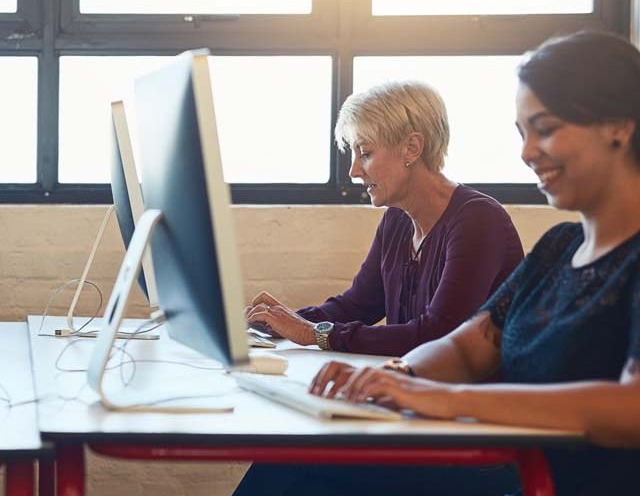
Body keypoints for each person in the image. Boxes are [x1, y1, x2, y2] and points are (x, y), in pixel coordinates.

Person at [238, 31, 640, 496]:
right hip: (520, 470)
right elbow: (467, 347)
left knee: (294, 472)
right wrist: (399, 376)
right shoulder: (559, 249)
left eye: (545, 129)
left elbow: (632, 408)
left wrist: (446, 398)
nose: (527, 153)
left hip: (528, 477)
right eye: (522, 134)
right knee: (286, 463)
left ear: (619, 126)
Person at [246, 80, 524, 357]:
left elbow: (437, 335)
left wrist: (314, 334)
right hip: (416, 384)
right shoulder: (397, 220)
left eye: (365, 153)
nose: (354, 170)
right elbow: (358, 305)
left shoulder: (479, 220)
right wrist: (278, 321)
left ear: (412, 148)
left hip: (476, 396)